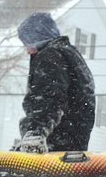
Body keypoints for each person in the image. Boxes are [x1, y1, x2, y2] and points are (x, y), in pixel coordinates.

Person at [14, 12, 96, 153]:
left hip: (57, 142)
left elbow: (49, 98)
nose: (28, 51)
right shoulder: (71, 55)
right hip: (75, 142)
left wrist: (35, 133)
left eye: (28, 43)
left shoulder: (50, 56)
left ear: (37, 38)